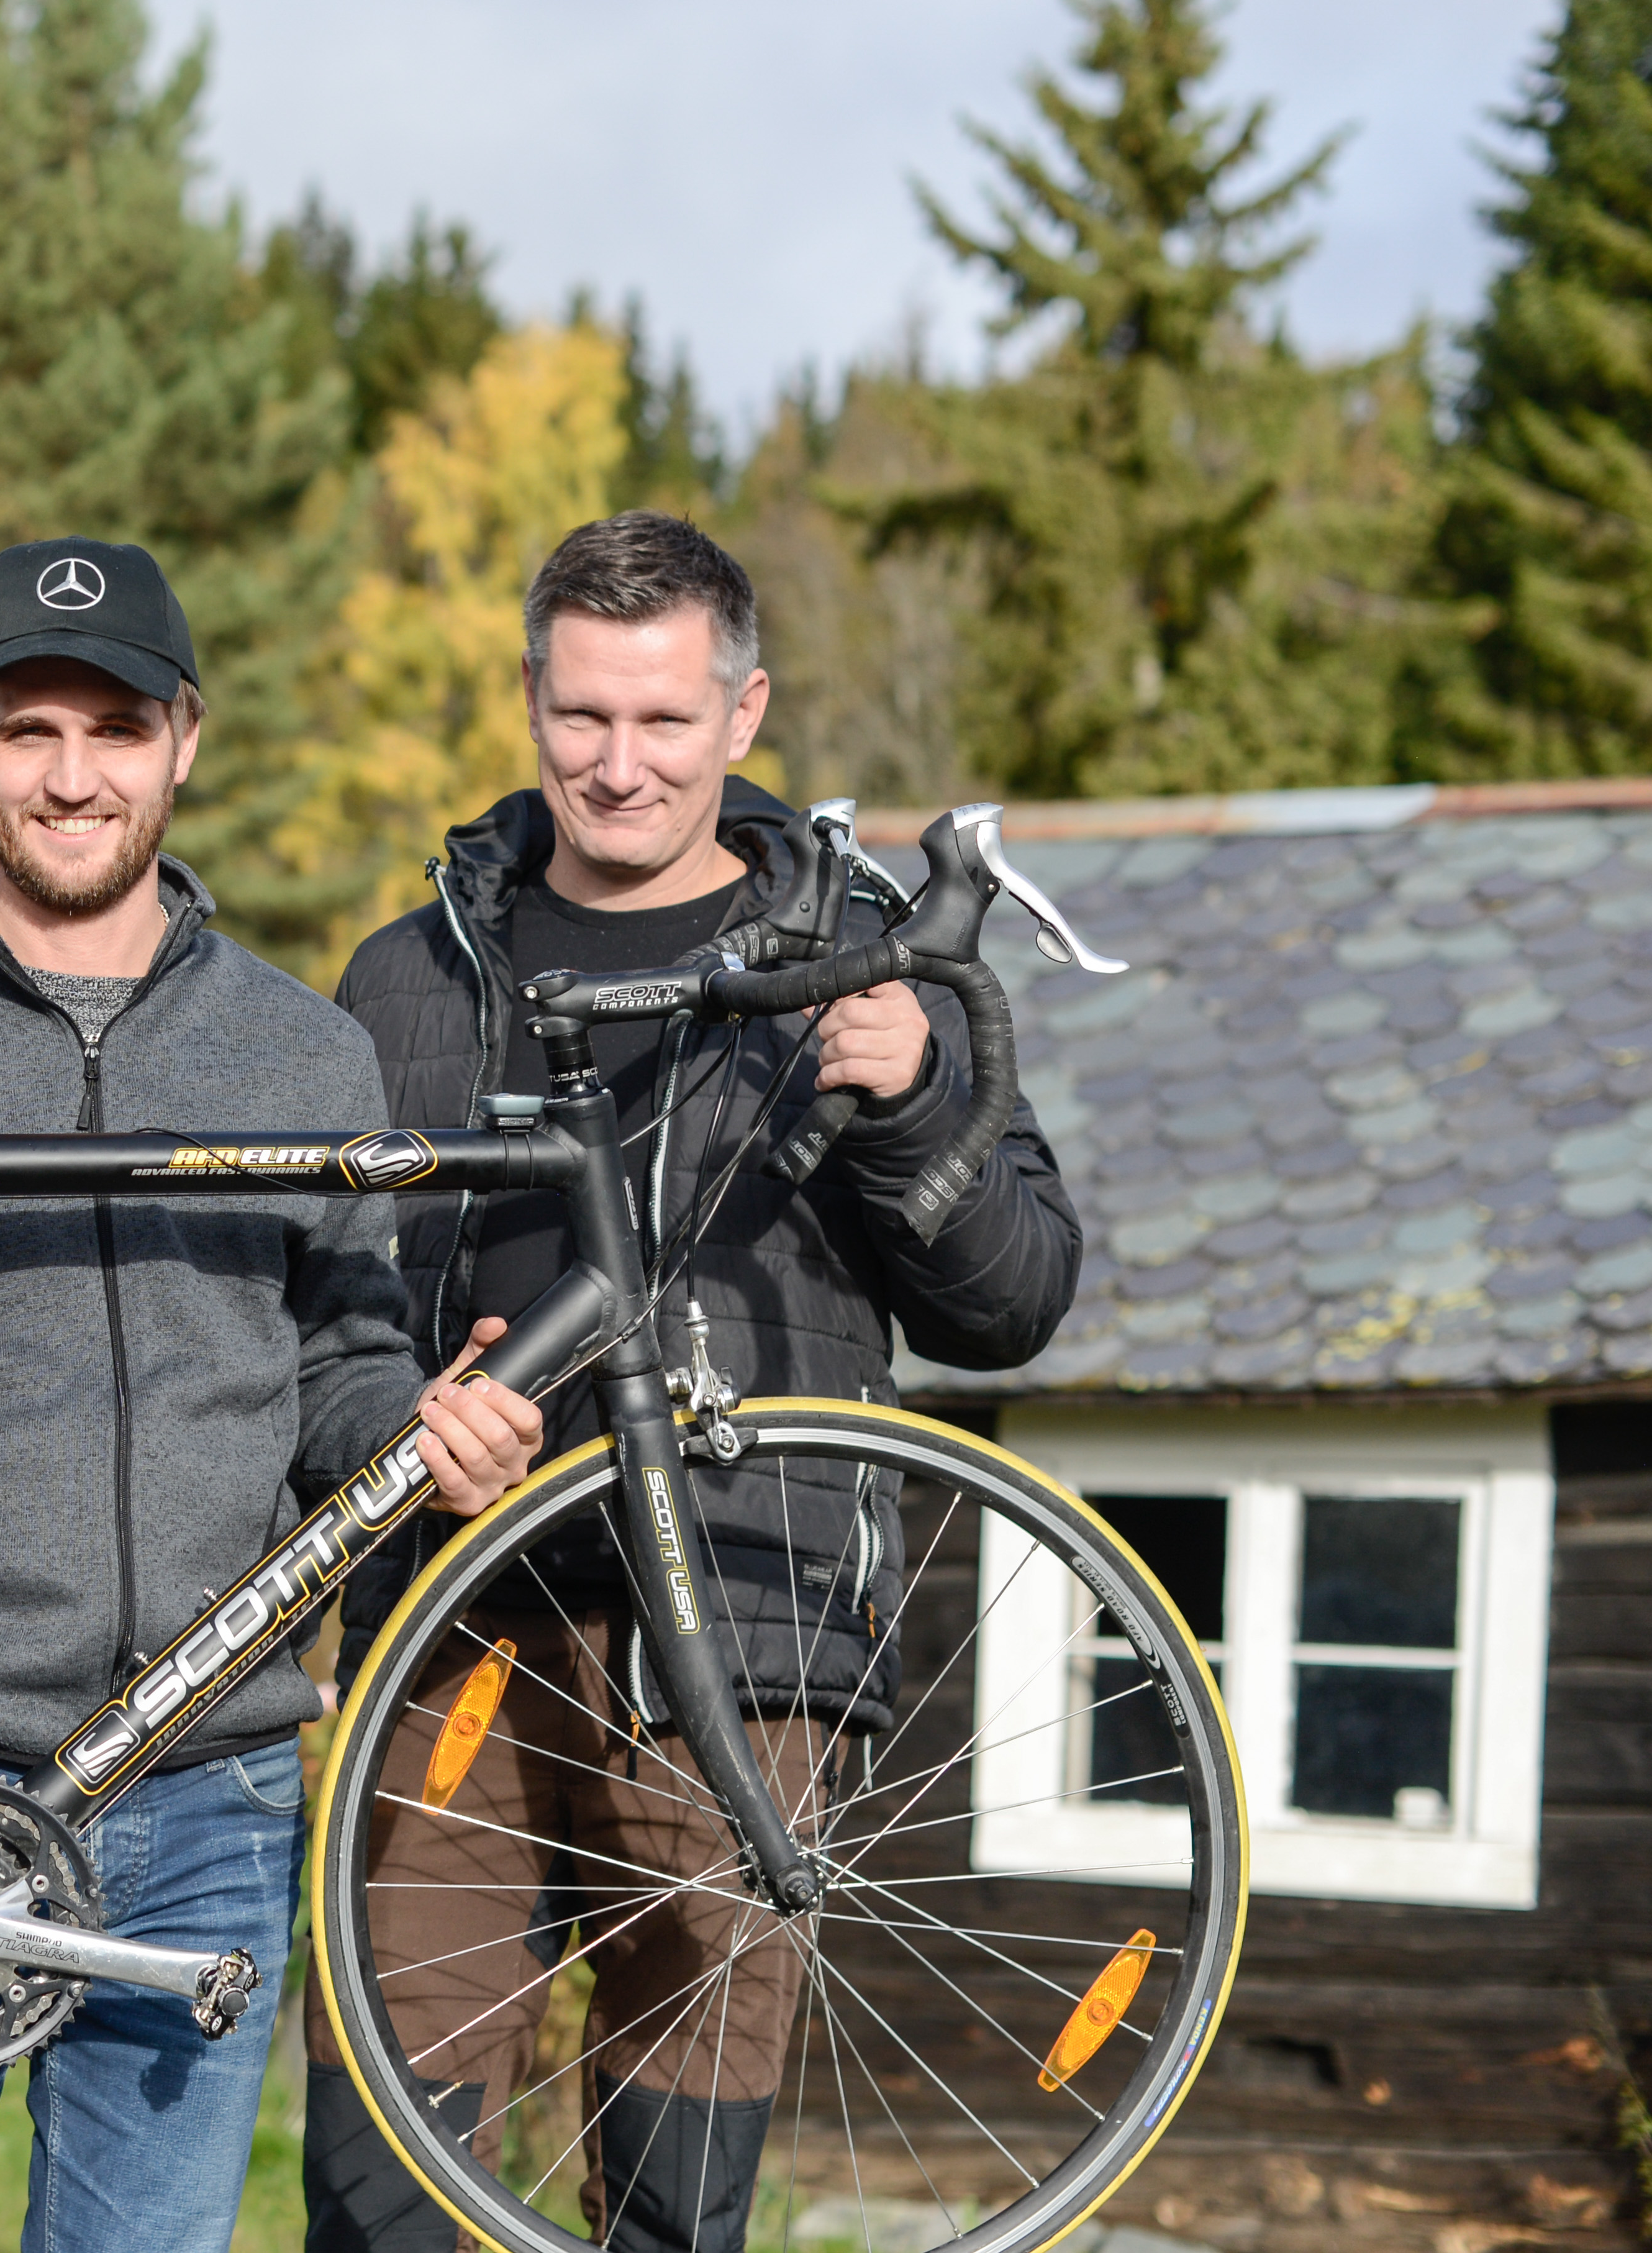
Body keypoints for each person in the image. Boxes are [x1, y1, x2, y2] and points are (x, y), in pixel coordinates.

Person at [0, 537, 545, 2253]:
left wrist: (418, 1440)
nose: (72, 777)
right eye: (28, 729)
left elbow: (341, 1368)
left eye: (114, 729)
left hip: (205, 1794)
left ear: (183, 743)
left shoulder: (305, 1052)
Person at [306, 513, 1084, 2253]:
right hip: (456, 1630)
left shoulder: (862, 949)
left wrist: (910, 1107)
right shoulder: (406, 973)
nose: (618, 762)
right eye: (582, 715)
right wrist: (390, 1426)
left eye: (662, 721)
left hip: (742, 1644)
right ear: (529, 701)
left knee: (671, 2203)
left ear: (743, 716)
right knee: (382, 2192)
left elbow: (1013, 1299)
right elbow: (324, 1315)